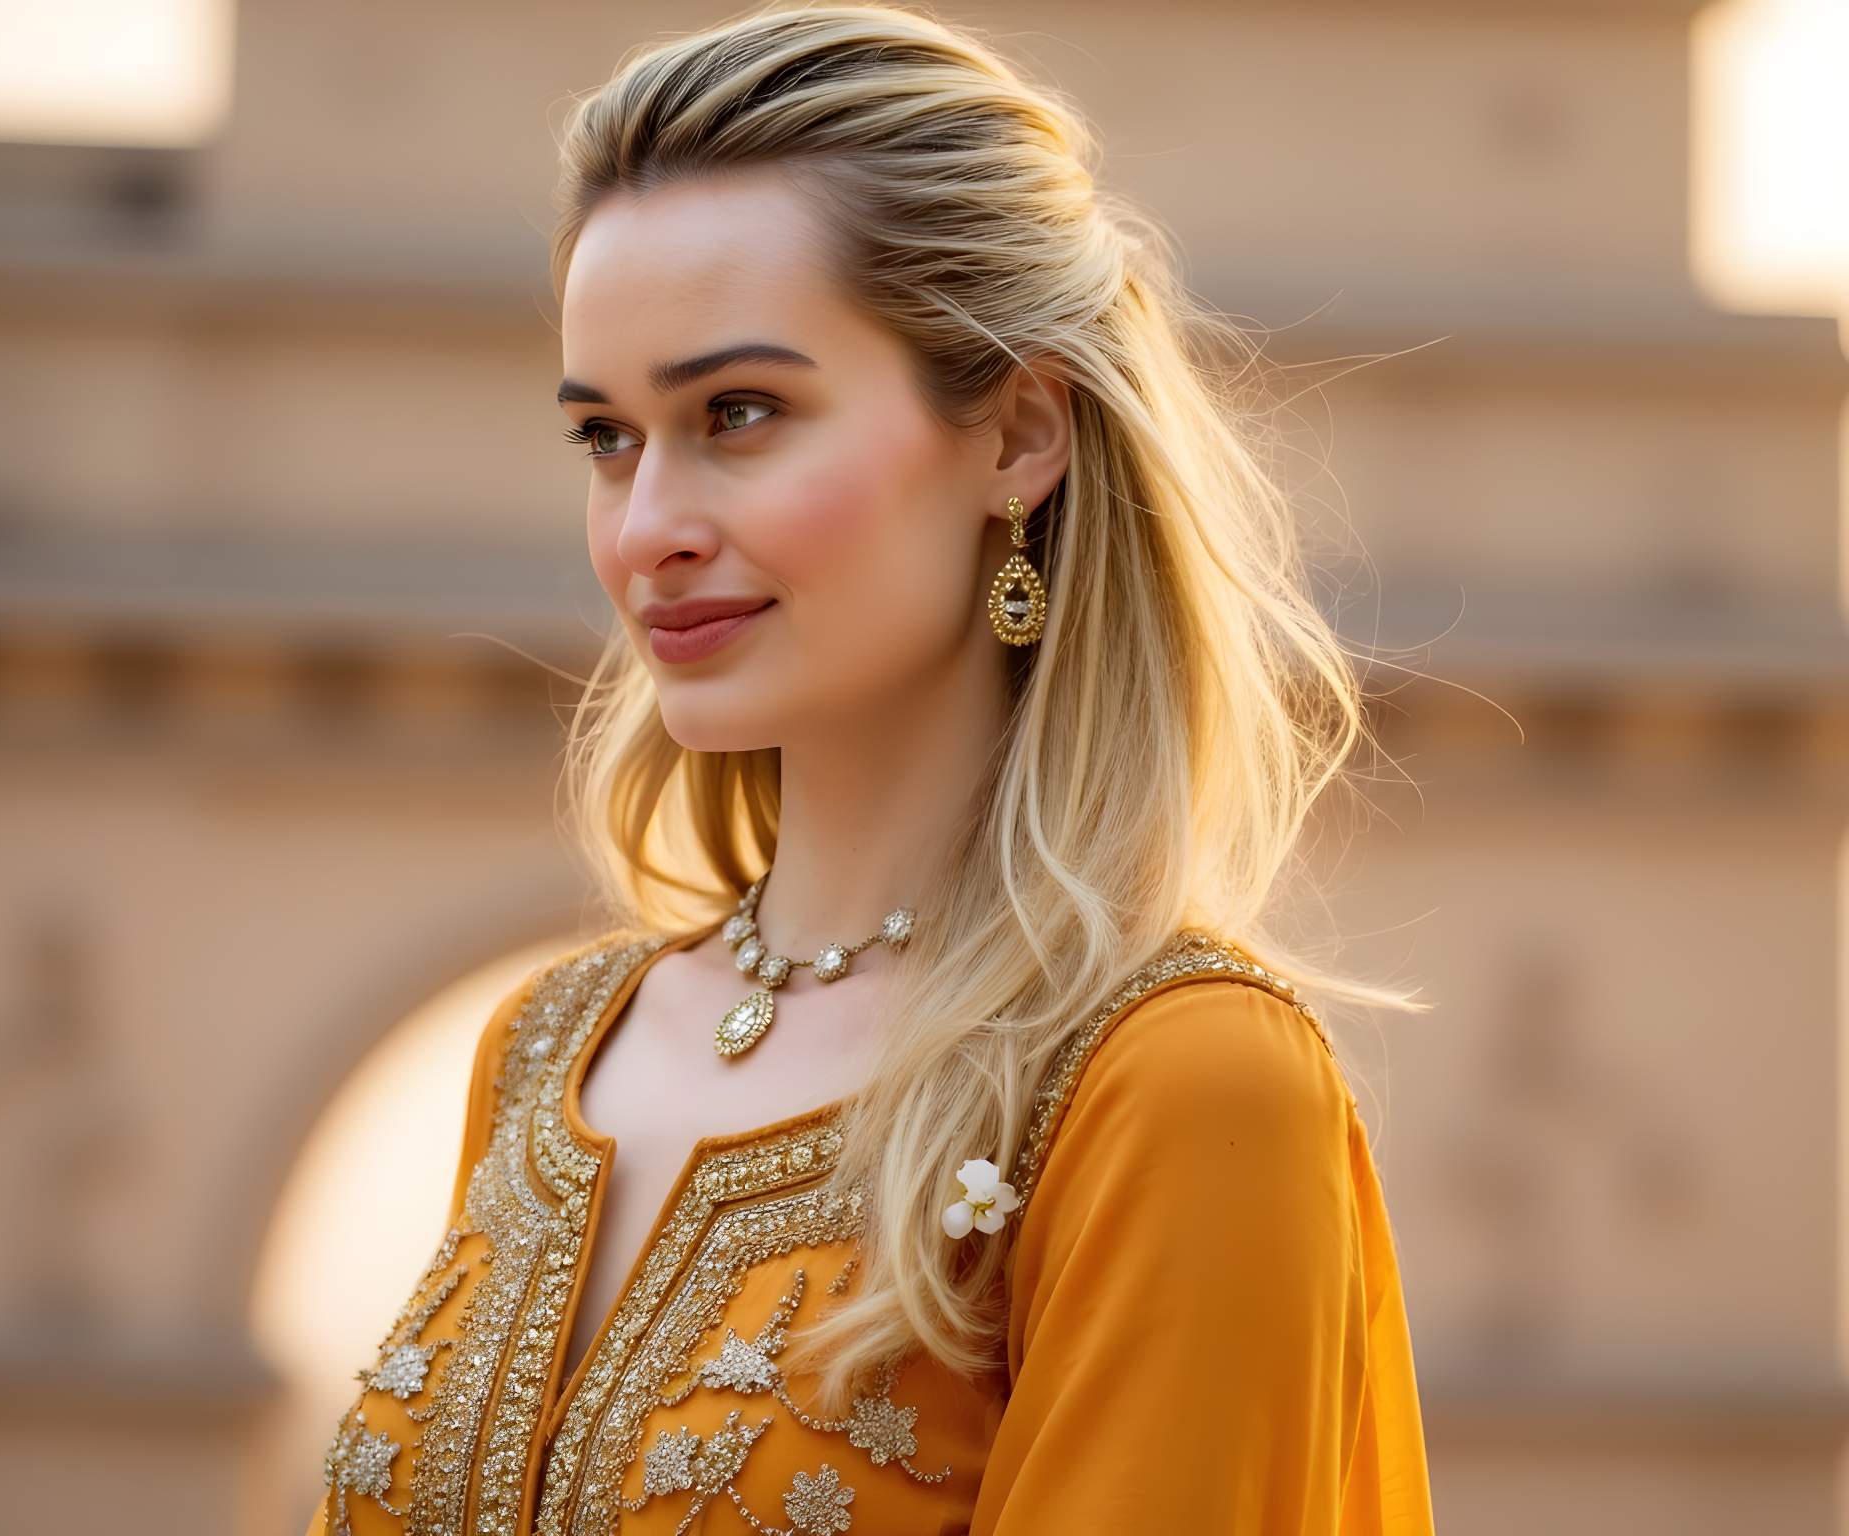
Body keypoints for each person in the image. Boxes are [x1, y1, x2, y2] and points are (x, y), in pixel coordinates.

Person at [312, 8, 1431, 1533]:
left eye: (740, 414)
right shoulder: (546, 1052)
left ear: (1017, 433)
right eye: (606, 437)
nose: (647, 530)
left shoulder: (1177, 1087)